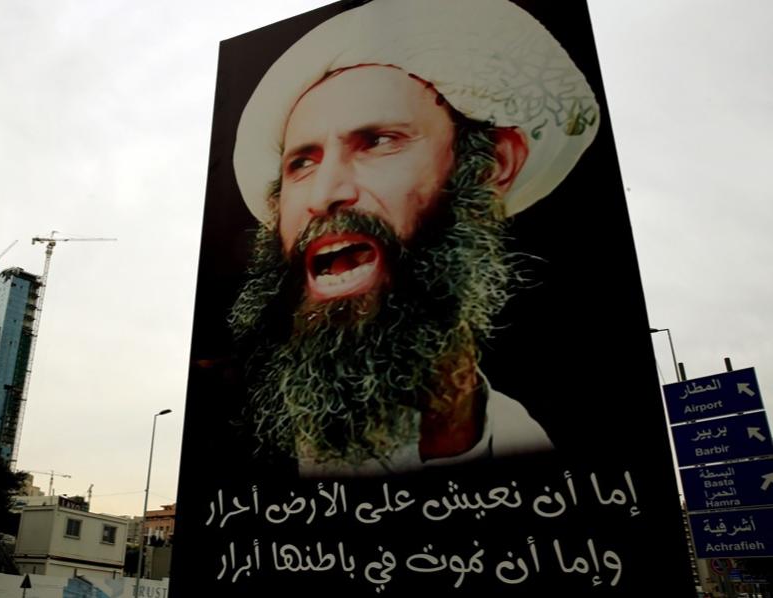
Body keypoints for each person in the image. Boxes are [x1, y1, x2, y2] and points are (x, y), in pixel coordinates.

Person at [227, 0, 599, 476]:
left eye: (378, 141)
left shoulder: (538, 447)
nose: (325, 194)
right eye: (302, 162)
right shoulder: (240, 462)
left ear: (488, 169)